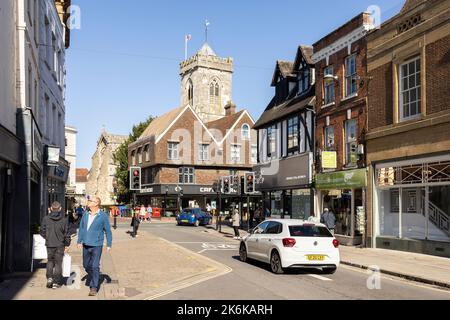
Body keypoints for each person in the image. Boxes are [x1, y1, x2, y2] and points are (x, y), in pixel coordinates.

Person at [77, 196, 112, 296]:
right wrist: (79, 241)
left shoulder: (103, 215)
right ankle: (95, 276)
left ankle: (94, 287)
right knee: (86, 265)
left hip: (97, 244)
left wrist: (109, 244)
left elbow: (108, 231)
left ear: (96, 203)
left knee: (95, 266)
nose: (88, 202)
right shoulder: (85, 214)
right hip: (86, 244)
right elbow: (82, 228)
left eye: (90, 201)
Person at [40, 201, 71, 289]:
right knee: (58, 263)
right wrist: (67, 244)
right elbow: (67, 233)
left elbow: (42, 231)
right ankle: (56, 282)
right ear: (60, 209)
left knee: (50, 261)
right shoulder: (64, 220)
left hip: (49, 244)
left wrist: (47, 237)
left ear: (51, 208)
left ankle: (49, 278)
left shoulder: (46, 218)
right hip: (60, 244)